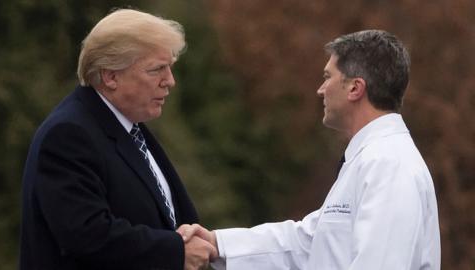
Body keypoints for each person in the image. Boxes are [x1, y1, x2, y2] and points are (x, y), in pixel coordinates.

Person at [178, 30, 441, 270]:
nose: (320, 89)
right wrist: (218, 244)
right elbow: (308, 243)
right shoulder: (372, 159)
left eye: (328, 77)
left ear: (355, 88)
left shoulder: (388, 164)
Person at [19, 8, 215, 270]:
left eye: (170, 67)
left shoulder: (129, 126)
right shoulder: (68, 135)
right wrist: (175, 251)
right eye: (157, 69)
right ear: (111, 76)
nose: (170, 81)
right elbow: (87, 235)